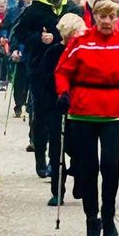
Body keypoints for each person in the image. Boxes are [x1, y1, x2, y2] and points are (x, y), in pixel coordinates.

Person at [54, 0, 119, 236]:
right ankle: (91, 221)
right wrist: (63, 92)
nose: (106, 21)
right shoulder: (80, 42)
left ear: (118, 18)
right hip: (83, 109)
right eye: (102, 16)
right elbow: (62, 71)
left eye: (111, 16)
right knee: (88, 167)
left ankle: (108, 216)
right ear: (95, 17)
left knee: (110, 166)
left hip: (114, 111)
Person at [15, 0, 83, 176]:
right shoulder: (34, 9)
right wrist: (38, 38)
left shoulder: (72, 8)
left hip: (68, 66)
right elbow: (19, 33)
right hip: (40, 68)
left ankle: (59, 159)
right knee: (42, 114)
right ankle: (40, 158)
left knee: (65, 116)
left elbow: (82, 30)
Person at [38, 12, 86, 206]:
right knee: (57, 149)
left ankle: (79, 178)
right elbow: (45, 80)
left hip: (80, 107)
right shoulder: (53, 53)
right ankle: (58, 190)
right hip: (56, 106)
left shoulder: (85, 51)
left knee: (79, 148)